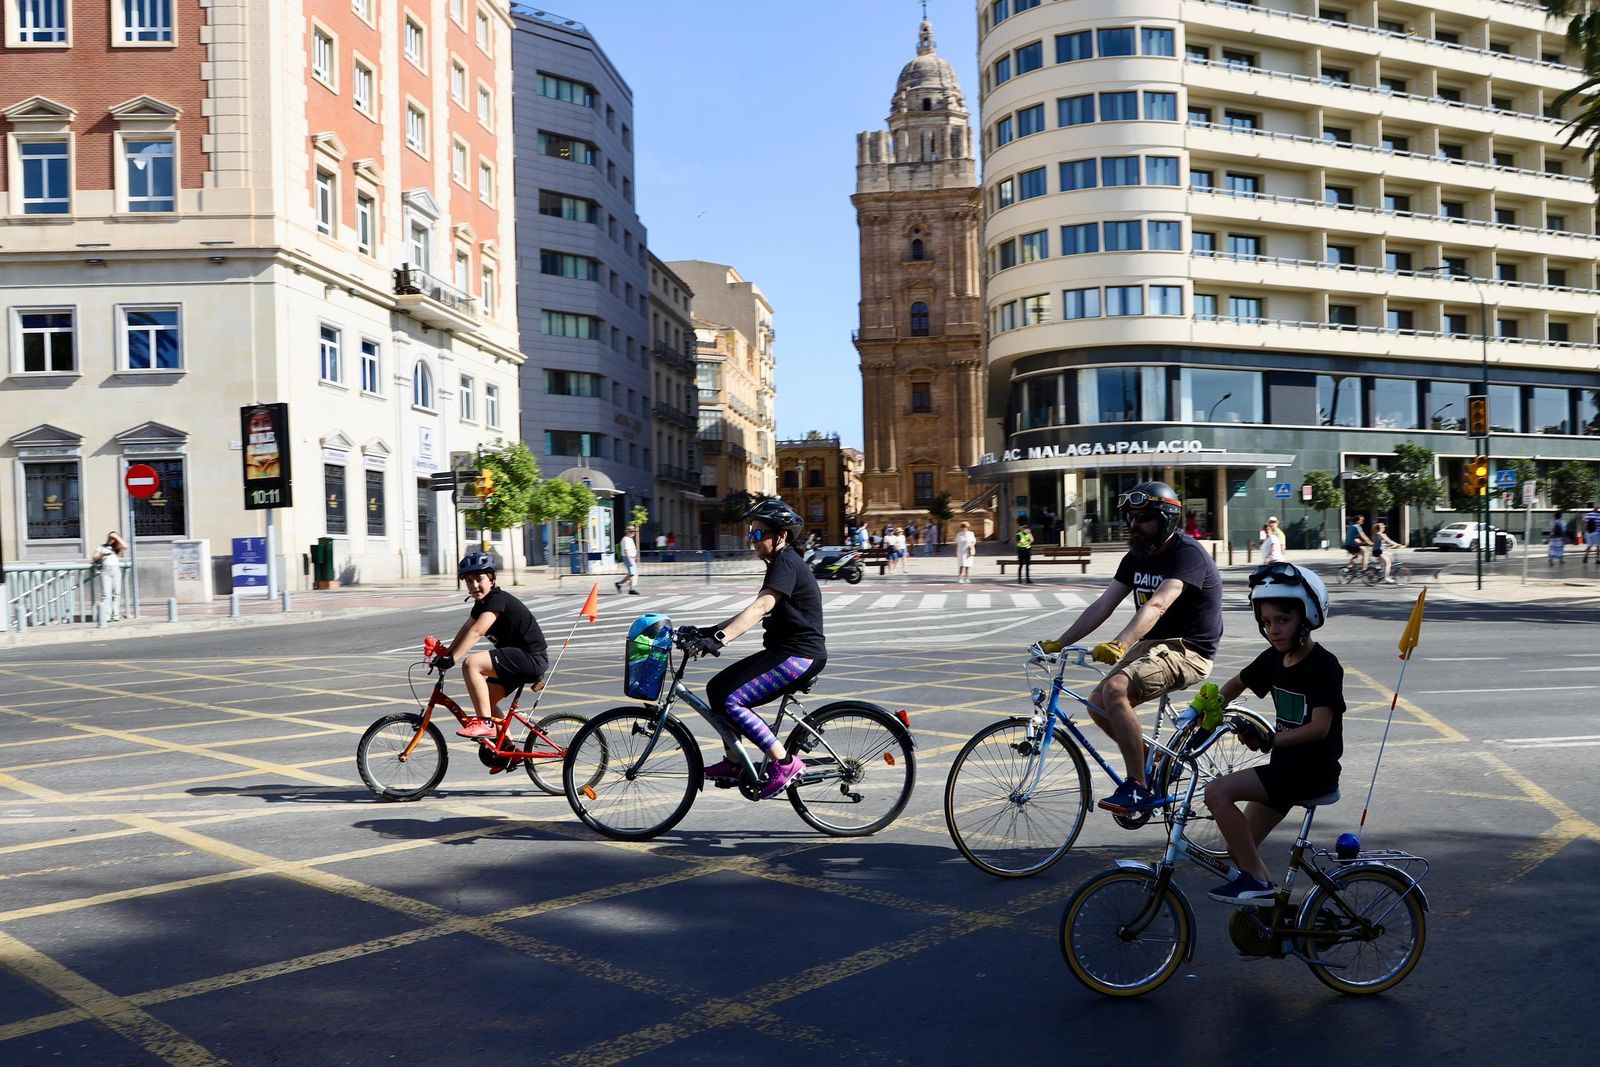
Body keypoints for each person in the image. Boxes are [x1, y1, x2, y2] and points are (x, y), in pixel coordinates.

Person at [1039, 481, 1222, 814]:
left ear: (1166, 520)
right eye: (1131, 518)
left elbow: (1158, 605)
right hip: (1153, 646)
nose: (1134, 525)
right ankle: (1152, 763)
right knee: (1097, 706)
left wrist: (1120, 643)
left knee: (1115, 688)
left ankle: (1138, 787)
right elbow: (1102, 604)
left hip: (1188, 649)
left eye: (1144, 519)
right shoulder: (1137, 555)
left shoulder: (1186, 554)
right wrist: (1059, 642)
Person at [1202, 561, 1344, 905]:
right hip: (1285, 770)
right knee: (1239, 850)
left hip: (1311, 773)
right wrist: (1200, 713)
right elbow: (1237, 683)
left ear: (1306, 617)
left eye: (1283, 620)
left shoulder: (1324, 666)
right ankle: (1275, 917)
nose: (1274, 630)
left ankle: (1260, 884)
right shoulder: (1273, 659)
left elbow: (1320, 728)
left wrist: (1270, 738)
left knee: (1217, 793)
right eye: (1266, 622)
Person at [686, 499, 825, 799]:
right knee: (717, 687)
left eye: (759, 534)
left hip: (799, 655)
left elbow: (762, 606)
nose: (752, 539)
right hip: (784, 651)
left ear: (781, 536)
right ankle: (735, 762)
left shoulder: (786, 562)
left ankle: (785, 762)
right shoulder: (779, 563)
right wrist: (706, 632)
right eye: (751, 533)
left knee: (733, 701)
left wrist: (720, 640)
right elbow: (750, 609)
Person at [434, 552, 549, 738]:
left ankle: (485, 723)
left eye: (479, 579)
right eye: (469, 581)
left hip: (530, 657)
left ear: (492, 580)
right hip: (516, 659)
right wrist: (446, 653)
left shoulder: (497, 599)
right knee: (485, 701)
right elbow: (466, 629)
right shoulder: (480, 605)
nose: (474, 585)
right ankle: (507, 747)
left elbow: (477, 631)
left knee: (471, 664)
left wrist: (453, 659)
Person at [92, 531, 128, 622]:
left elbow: (125, 546)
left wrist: (116, 536)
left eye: (112, 539)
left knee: (116, 592)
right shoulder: (101, 547)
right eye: (109, 537)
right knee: (106, 595)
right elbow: (94, 558)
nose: (110, 539)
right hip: (105, 571)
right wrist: (103, 555)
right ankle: (106, 616)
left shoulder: (116, 549)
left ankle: (115, 615)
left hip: (116, 570)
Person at [615, 525, 641, 594]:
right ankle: (631, 589)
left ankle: (620, 584)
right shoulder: (626, 539)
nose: (633, 533)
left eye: (634, 531)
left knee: (632, 573)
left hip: (631, 558)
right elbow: (626, 550)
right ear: (627, 532)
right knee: (632, 573)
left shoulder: (629, 539)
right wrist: (630, 560)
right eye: (631, 531)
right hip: (628, 558)